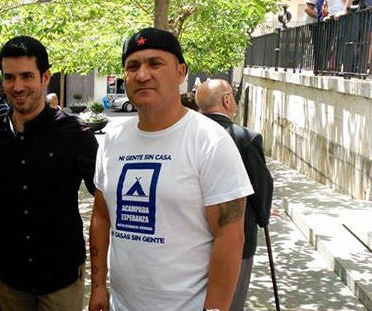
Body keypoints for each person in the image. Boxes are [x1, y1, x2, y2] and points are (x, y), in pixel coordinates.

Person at [88, 27, 254, 311]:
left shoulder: (210, 141)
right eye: (133, 66)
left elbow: (230, 236)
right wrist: (99, 286)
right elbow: (102, 217)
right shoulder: (113, 140)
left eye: (155, 63)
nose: (142, 75)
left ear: (180, 72)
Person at [0, 35, 98, 311]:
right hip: (10, 279)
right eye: (9, 78)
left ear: (45, 77)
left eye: (26, 76)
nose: (17, 86)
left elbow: (104, 203)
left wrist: (100, 279)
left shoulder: (75, 133)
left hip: (61, 278)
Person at [196, 79, 274, 311]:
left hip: (190, 239)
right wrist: (263, 215)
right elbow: (261, 187)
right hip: (236, 238)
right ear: (227, 100)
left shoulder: (187, 136)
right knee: (229, 302)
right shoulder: (244, 138)